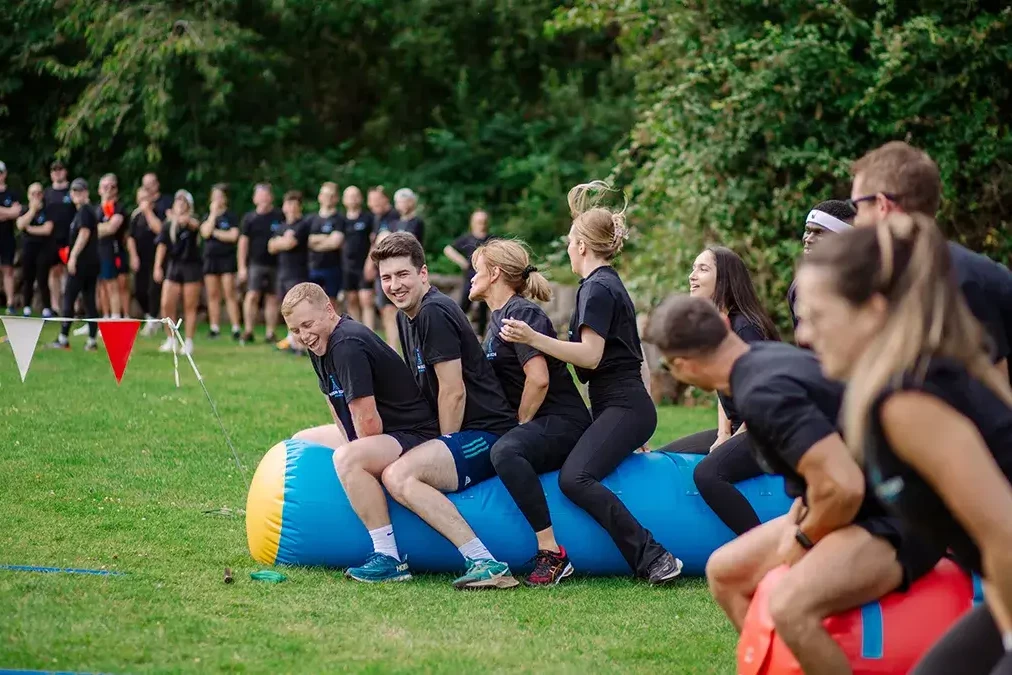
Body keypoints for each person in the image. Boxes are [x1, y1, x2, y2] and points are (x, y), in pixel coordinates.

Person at [643, 294, 943, 673]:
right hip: (855, 506)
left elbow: (843, 486)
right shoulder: (766, 361)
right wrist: (799, 521)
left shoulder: (764, 392)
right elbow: (821, 475)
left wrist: (801, 540)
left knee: (789, 607)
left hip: (900, 517)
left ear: (682, 366)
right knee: (724, 572)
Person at [795, 214, 1012, 675]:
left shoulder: (907, 401)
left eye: (818, 317)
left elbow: (1005, 535)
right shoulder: (881, 390)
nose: (803, 335)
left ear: (872, 311)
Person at [500, 181, 682, 585]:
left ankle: (654, 556)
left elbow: (591, 355)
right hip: (625, 408)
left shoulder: (597, 288)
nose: (567, 247)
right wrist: (634, 424)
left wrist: (533, 339)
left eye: (569, 240)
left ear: (582, 246)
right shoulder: (607, 284)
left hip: (624, 406)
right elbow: (637, 359)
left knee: (573, 478)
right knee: (574, 472)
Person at [363, 232, 521, 590]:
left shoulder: (434, 311)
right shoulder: (407, 316)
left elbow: (453, 392)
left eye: (402, 274)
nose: (394, 285)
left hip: (486, 434)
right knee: (388, 464)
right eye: (386, 278)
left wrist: (439, 448)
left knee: (399, 476)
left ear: (423, 274)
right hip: (462, 429)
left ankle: (486, 562)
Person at [282, 282, 439, 582]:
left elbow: (367, 420)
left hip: (414, 434)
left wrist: (360, 460)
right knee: (301, 440)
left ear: (328, 309)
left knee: (348, 459)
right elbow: (335, 405)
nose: (303, 335)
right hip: (385, 434)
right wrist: (350, 445)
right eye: (295, 330)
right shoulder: (320, 343)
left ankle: (389, 557)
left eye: (307, 324)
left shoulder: (347, 344)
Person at [470, 238, 592, 585]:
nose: (471, 277)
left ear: (494, 273)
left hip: (563, 423)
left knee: (506, 451)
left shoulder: (522, 313)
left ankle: (552, 553)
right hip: (542, 422)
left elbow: (537, 380)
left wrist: (520, 424)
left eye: (476, 269)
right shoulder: (497, 320)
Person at [848, 141, 1012, 383]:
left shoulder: (952, 278)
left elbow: (993, 392)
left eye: (857, 206)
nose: (855, 221)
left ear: (882, 205)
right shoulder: (946, 269)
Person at [658, 246, 779, 536]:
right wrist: (724, 432)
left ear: (724, 278)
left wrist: (735, 438)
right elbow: (721, 384)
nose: (692, 275)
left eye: (702, 269)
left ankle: (762, 549)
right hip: (739, 427)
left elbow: (762, 393)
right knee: (665, 459)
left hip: (767, 432)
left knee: (708, 473)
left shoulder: (746, 328)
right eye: (693, 267)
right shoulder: (717, 326)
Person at [785, 200, 855, 337]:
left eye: (819, 232)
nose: (808, 239)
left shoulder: (861, 281)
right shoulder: (800, 285)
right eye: (807, 231)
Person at [48, 178, 100, 351]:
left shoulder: (85, 211)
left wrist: (73, 257)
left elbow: (84, 234)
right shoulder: (84, 211)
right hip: (91, 262)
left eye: (80, 191)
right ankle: (92, 341)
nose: (77, 194)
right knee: (89, 301)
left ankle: (63, 338)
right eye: (74, 191)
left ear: (86, 193)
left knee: (69, 297)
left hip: (83, 262)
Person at [154, 190, 202, 355]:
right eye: (177, 202)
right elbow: (162, 246)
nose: (180, 205)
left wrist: (184, 220)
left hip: (191, 266)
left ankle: (188, 341)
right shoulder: (168, 225)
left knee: (190, 305)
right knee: (167, 304)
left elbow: (195, 225)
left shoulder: (193, 223)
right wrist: (157, 266)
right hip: (174, 266)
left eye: (183, 203)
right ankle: (170, 338)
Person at [238, 183, 284, 344]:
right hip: (255, 264)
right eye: (260, 195)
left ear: (271, 197)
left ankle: (270, 332)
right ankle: (248, 331)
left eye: (266, 194)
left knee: (272, 298)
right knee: (252, 296)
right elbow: (243, 243)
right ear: (255, 198)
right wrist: (242, 267)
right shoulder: (249, 218)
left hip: (276, 264)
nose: (263, 198)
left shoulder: (279, 216)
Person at [199, 184, 241, 340]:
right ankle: (214, 327)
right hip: (210, 259)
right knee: (212, 294)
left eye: (220, 196)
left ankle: (236, 327)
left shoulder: (231, 217)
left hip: (226, 259)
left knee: (229, 293)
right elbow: (205, 232)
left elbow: (233, 236)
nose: (217, 200)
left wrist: (215, 233)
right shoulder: (207, 216)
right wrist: (212, 215)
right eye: (214, 197)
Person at [271, 190, 311, 352]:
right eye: (288, 204)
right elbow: (271, 247)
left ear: (299, 207)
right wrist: (283, 241)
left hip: (298, 272)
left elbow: (290, 244)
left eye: (294, 204)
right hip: (282, 272)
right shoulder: (281, 226)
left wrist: (281, 242)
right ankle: (292, 340)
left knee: (298, 308)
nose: (291, 208)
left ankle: (301, 344)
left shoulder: (303, 225)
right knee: (286, 308)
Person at [443, 210, 490, 335]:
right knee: (464, 305)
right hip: (471, 278)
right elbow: (448, 249)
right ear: (473, 223)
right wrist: (463, 263)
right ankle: (455, 330)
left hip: (487, 279)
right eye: (479, 221)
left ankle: (481, 335)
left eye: (483, 221)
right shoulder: (467, 238)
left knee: (483, 308)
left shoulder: (491, 238)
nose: (482, 224)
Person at [128, 186, 166, 335]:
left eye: (146, 198)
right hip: (140, 258)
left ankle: (153, 320)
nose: (143, 202)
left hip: (155, 257)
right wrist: (133, 256)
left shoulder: (157, 212)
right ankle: (148, 315)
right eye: (141, 198)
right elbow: (131, 237)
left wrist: (148, 212)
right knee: (139, 290)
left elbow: (160, 231)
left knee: (153, 290)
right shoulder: (135, 216)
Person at [15, 183, 55, 316]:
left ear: (42, 195)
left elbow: (47, 229)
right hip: (28, 248)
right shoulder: (24, 209)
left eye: (38, 193)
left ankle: (47, 307)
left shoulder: (47, 210)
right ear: (28, 195)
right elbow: (20, 225)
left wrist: (30, 229)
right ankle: (26, 306)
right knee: (28, 277)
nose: (36, 196)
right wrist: (32, 211)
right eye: (33, 193)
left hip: (43, 248)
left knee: (43, 278)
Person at [367, 187, 400, 347]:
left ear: (386, 199)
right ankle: (392, 346)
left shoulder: (395, 217)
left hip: (395, 268)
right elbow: (374, 242)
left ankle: (397, 346)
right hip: (381, 269)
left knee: (392, 308)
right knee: (385, 308)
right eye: (370, 200)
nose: (372, 204)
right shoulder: (377, 218)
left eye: (376, 200)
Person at [306, 182, 344, 312]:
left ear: (336, 198)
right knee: (312, 302)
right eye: (325, 194)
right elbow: (306, 241)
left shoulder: (339, 219)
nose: (328, 198)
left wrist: (315, 241)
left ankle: (333, 331)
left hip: (333, 267)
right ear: (319, 197)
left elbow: (336, 242)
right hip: (313, 266)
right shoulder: (310, 219)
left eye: (331, 195)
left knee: (331, 302)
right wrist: (326, 238)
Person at [340, 186, 374, 327]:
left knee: (366, 299)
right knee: (352, 299)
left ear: (361, 198)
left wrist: (371, 263)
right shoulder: (340, 220)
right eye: (349, 196)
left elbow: (374, 241)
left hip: (364, 265)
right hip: (347, 266)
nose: (353, 199)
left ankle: (370, 333)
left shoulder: (368, 218)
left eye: (356, 195)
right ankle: (357, 331)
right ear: (344, 200)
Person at [43, 161, 75, 316]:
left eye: (60, 169)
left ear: (65, 171)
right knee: (54, 271)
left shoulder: (72, 191)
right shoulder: (47, 193)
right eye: (54, 170)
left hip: (70, 238)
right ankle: (55, 306)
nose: (57, 172)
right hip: (52, 238)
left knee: (70, 272)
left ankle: (71, 306)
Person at [95, 173, 128, 320]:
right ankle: (105, 317)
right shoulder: (95, 209)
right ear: (99, 190)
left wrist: (93, 229)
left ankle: (115, 318)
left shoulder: (119, 208)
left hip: (111, 250)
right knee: (101, 286)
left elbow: (111, 228)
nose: (108, 189)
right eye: (105, 186)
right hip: (96, 250)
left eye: (112, 186)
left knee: (112, 285)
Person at [0, 161, 22, 315]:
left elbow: (17, 212)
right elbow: (11, 212)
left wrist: (5, 213)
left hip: (7, 236)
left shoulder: (11, 193)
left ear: (5, 174)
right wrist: (8, 212)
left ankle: (10, 303)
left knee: (8, 269)